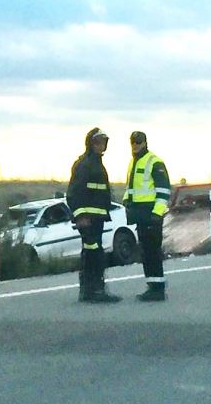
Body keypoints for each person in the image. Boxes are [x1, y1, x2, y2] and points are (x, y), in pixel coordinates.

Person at [67, 127, 121, 303]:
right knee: (93, 254)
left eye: (104, 142)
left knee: (93, 253)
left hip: (97, 219)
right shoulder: (84, 164)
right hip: (88, 220)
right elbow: (74, 193)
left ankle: (91, 290)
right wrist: (81, 216)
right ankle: (94, 291)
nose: (102, 145)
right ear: (91, 143)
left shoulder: (97, 163)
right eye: (98, 142)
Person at [123, 131, 171, 302]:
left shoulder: (154, 161)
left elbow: (164, 190)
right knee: (146, 251)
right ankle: (151, 285)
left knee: (153, 251)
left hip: (151, 213)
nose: (135, 145)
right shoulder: (133, 162)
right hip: (140, 214)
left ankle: (158, 288)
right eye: (133, 142)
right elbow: (131, 188)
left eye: (138, 142)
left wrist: (157, 214)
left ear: (145, 142)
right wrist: (126, 202)